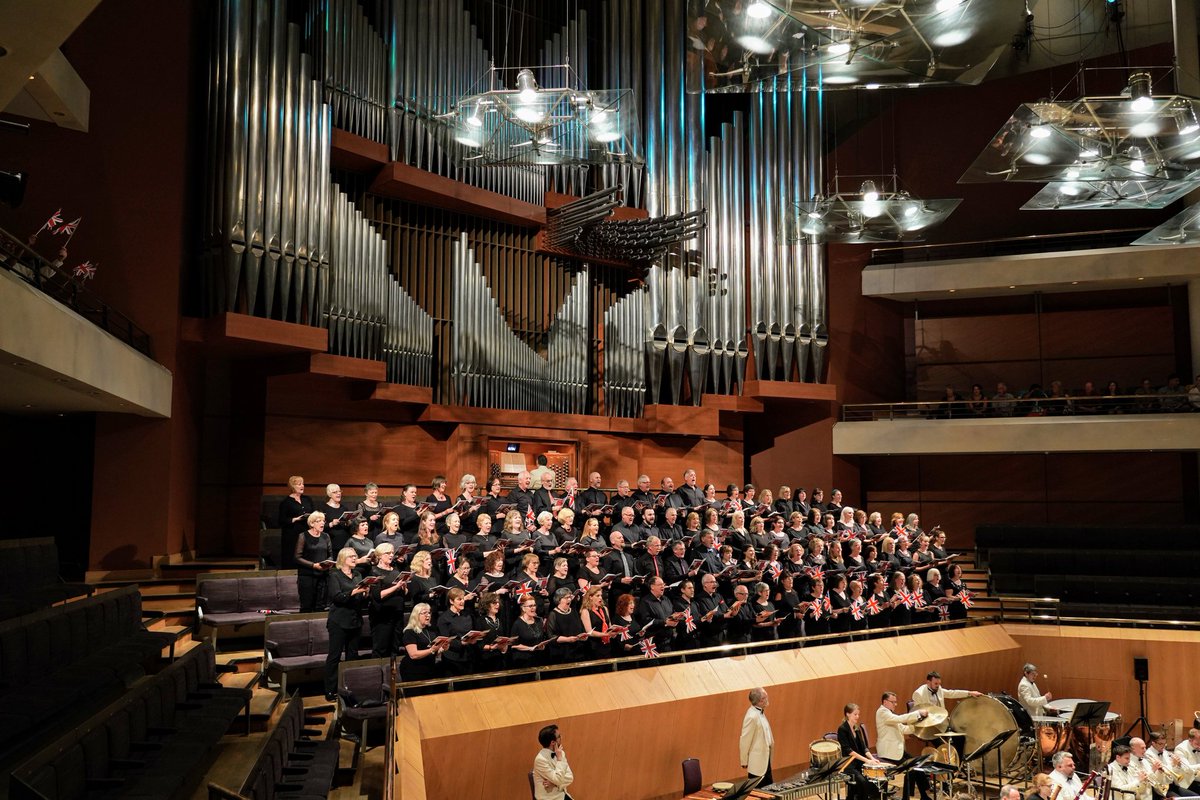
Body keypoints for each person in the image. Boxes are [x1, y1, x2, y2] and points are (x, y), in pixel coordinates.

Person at [324, 547, 369, 700]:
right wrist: (354, 592)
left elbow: (361, 599)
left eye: (356, 556)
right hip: (339, 621)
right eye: (351, 557)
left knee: (353, 656)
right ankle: (330, 690)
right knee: (334, 656)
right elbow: (337, 597)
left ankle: (350, 689)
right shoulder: (334, 575)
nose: (355, 559)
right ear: (343, 559)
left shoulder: (358, 575)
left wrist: (365, 593)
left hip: (355, 620)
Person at [876, 692, 931, 800]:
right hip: (888, 753)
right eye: (893, 702)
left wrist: (919, 724)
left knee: (917, 765)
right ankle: (917, 796)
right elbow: (900, 719)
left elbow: (904, 729)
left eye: (896, 702)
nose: (895, 704)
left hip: (897, 751)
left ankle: (923, 796)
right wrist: (918, 713)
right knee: (914, 767)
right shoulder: (882, 712)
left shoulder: (890, 715)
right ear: (885, 702)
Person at [295, 511, 333, 612]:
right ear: (312, 523)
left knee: (320, 606)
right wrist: (314, 565)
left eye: (323, 521)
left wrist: (328, 562)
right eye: (318, 521)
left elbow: (330, 555)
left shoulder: (326, 536)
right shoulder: (303, 536)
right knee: (307, 606)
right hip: (307, 576)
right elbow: (297, 557)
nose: (322, 523)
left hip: (322, 575)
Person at [838, 702, 877, 800]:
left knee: (873, 781)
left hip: (859, 763)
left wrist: (872, 758)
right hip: (848, 764)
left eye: (858, 714)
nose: (857, 716)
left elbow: (864, 747)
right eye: (855, 714)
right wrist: (867, 761)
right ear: (847, 714)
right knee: (863, 783)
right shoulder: (842, 729)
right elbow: (849, 751)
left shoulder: (856, 728)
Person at [277, 476, 315, 568]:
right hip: (292, 534)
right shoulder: (286, 502)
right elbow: (281, 520)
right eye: (299, 484)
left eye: (303, 484)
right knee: (292, 557)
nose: (302, 486)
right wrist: (295, 519)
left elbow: (314, 512)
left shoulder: (307, 499)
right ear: (293, 486)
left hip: (306, 532)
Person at [740, 687, 774, 786]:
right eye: (765, 697)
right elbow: (745, 740)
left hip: (765, 760)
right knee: (758, 792)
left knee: (770, 791)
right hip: (757, 764)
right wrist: (744, 760)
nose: (767, 698)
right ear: (760, 701)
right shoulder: (751, 716)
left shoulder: (760, 712)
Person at [532, 723, 574, 800]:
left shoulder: (560, 753)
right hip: (549, 798)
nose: (561, 737)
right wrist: (560, 760)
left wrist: (554, 782)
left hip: (561, 795)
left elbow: (570, 777)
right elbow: (558, 779)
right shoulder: (540, 760)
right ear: (553, 742)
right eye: (559, 736)